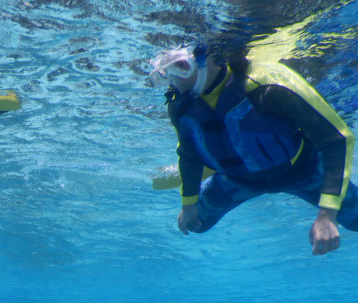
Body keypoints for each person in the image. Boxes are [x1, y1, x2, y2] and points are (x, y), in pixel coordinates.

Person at [149, 43, 358, 255]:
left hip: (303, 171)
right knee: (196, 225)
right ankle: (214, 172)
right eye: (167, 74)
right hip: (236, 180)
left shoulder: (267, 85)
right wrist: (188, 205)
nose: (176, 82)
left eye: (181, 67)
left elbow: (336, 139)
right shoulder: (180, 106)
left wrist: (327, 214)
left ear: (209, 58)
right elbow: (189, 154)